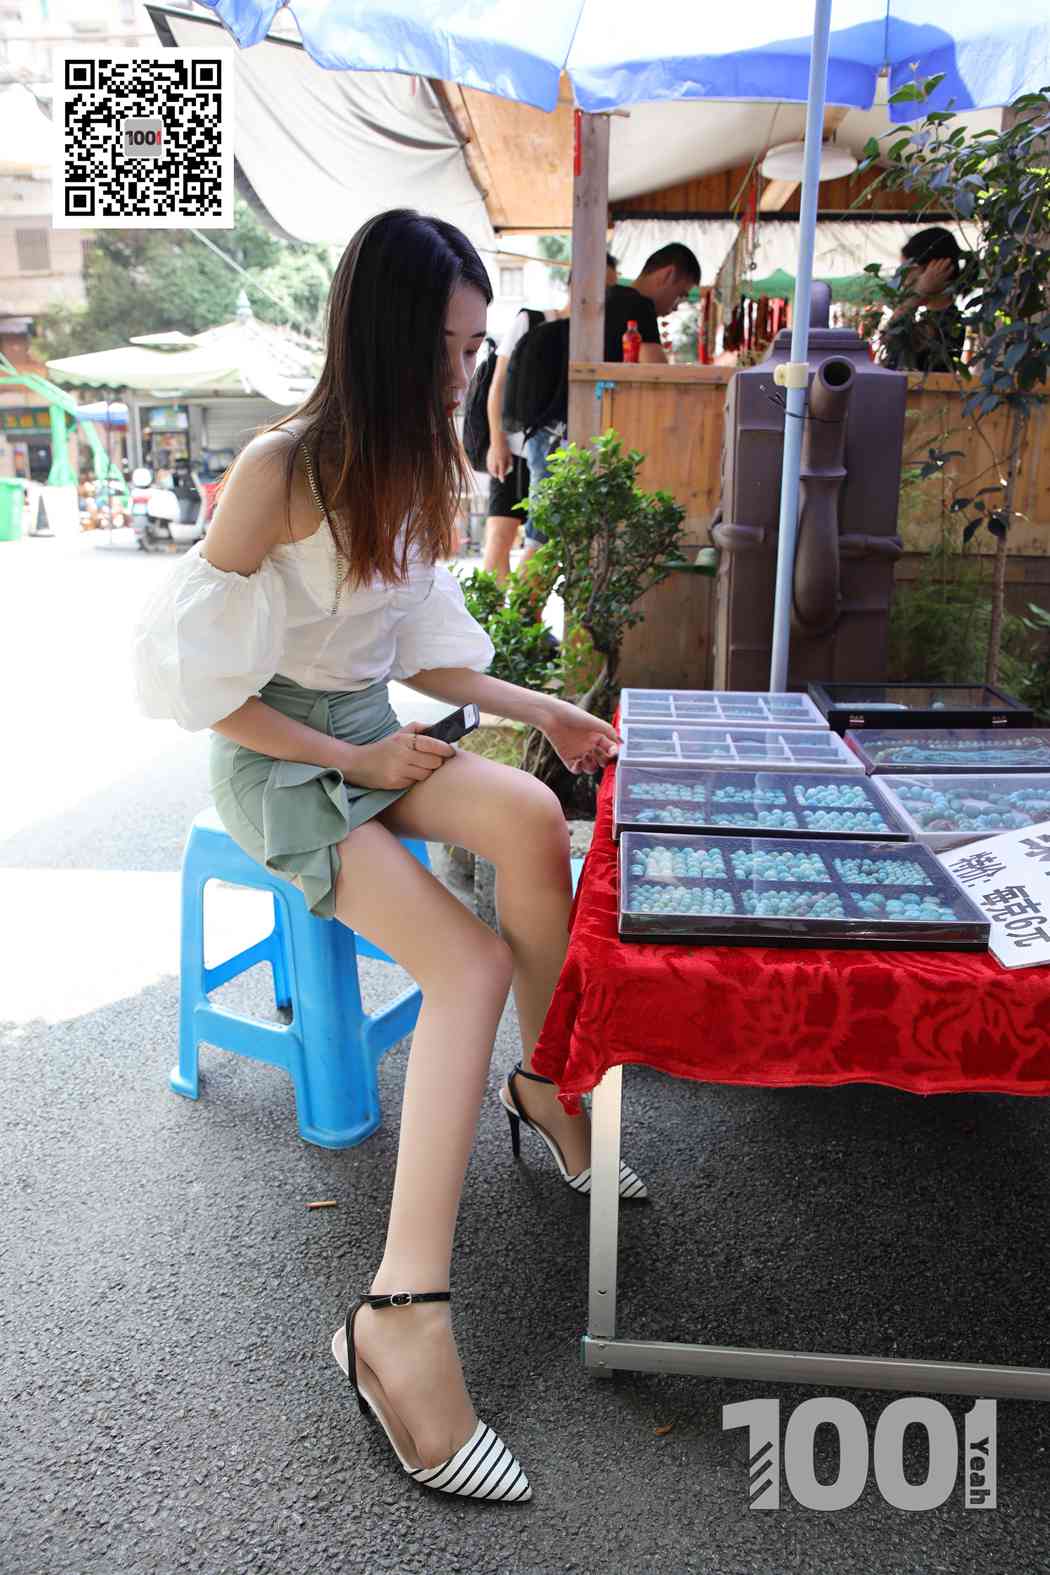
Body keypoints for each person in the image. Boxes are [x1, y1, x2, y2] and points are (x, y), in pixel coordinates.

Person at [131, 208, 647, 1506]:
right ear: (386, 336)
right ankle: (397, 1320)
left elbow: (422, 657)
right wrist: (349, 764)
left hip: (365, 732)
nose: (468, 373)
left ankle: (549, 1087)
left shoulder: (418, 467)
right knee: (464, 964)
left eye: (475, 349)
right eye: (453, 348)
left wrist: (546, 711)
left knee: (529, 815)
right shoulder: (279, 467)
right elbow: (202, 694)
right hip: (279, 757)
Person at [879, 227, 967, 374]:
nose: (904, 280)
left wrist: (919, 292)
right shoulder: (928, 315)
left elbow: (891, 341)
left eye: (907, 270)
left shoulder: (948, 321)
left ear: (935, 268)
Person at [603, 242, 701, 364]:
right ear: (668, 275)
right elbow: (658, 373)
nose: (676, 308)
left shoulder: (608, 299)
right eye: (680, 295)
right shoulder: (640, 305)